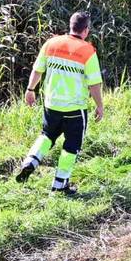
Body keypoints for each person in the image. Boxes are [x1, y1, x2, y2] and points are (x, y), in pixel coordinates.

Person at [15, 11, 105, 195]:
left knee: (47, 135)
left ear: (70, 26)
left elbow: (37, 69)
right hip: (75, 108)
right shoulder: (87, 51)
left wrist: (30, 89)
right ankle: (60, 185)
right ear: (86, 30)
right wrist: (99, 106)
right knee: (71, 146)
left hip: (51, 104)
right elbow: (95, 83)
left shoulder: (51, 43)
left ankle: (31, 161)